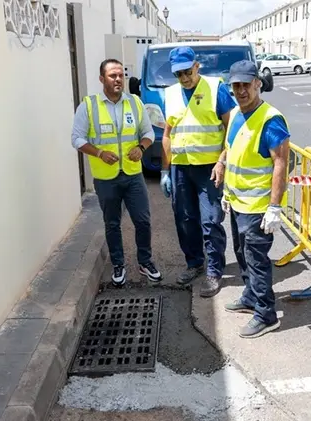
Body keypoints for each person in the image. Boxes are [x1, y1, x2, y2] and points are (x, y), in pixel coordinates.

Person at [71, 58, 163, 287]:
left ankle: (145, 261)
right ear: (102, 79)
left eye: (121, 75)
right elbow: (77, 139)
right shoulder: (89, 105)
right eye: (113, 75)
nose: (118, 79)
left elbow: (149, 132)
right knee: (112, 223)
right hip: (106, 179)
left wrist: (141, 148)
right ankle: (118, 265)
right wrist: (100, 153)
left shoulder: (135, 103)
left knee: (142, 220)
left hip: (132, 175)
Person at [219, 60, 291, 339]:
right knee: (242, 255)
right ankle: (250, 297)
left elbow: (280, 163)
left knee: (256, 260)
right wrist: (226, 188)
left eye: (246, 85)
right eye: (236, 86)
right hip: (238, 204)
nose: (240, 91)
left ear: (258, 84)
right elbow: (232, 151)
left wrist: (274, 207)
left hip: (258, 207)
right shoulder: (238, 113)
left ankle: (265, 313)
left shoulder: (270, 119)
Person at [160, 46, 236, 297]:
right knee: (184, 219)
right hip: (181, 169)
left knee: (211, 220)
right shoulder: (170, 94)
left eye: (187, 72)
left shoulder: (216, 89)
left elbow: (231, 128)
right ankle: (194, 264)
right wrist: (165, 170)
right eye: (178, 74)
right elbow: (168, 135)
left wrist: (222, 161)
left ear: (197, 66)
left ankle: (214, 270)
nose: (183, 78)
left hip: (209, 169)